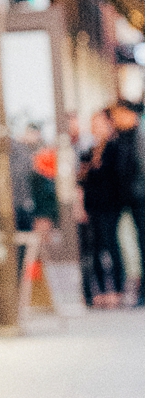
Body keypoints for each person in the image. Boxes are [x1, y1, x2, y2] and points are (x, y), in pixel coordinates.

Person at [77, 111, 125, 307]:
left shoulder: (114, 148)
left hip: (109, 206)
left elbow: (116, 177)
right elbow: (81, 179)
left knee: (111, 244)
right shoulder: (89, 150)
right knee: (95, 247)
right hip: (93, 206)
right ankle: (101, 291)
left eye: (98, 123)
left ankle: (117, 289)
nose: (95, 127)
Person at [110, 100, 145, 304]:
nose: (116, 119)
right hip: (130, 199)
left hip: (140, 198)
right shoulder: (122, 137)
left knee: (142, 242)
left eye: (119, 115)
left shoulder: (140, 136)